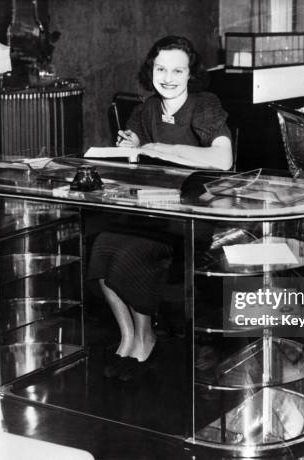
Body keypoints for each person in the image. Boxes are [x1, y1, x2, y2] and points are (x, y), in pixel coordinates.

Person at [87, 35, 233, 382]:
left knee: (131, 256)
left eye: (177, 70)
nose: (168, 77)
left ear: (190, 75)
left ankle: (146, 338)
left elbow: (223, 159)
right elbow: (136, 149)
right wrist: (133, 145)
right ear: (151, 70)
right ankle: (129, 337)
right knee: (103, 249)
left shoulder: (204, 105)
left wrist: (162, 149)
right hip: (151, 210)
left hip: (193, 216)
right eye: (161, 68)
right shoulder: (148, 108)